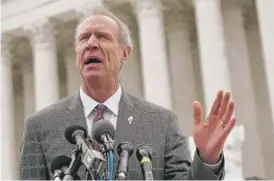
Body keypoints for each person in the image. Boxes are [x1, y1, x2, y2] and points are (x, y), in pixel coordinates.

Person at [19, 7, 236, 180]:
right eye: (84, 38)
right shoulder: (40, 126)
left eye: (102, 37)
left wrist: (207, 159)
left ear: (125, 53)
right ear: (77, 54)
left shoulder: (161, 123)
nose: (91, 44)